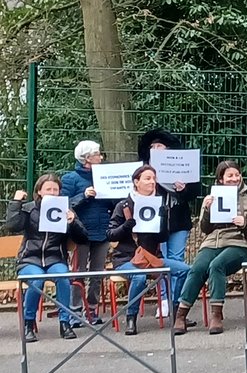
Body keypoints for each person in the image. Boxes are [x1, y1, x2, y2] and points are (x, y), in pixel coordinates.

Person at [173, 161, 247, 335]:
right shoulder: (213, 198)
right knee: (197, 268)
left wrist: (244, 224)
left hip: (238, 245)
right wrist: (206, 210)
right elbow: (205, 229)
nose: (234, 178)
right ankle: (181, 315)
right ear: (221, 179)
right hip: (212, 243)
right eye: (230, 176)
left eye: (237, 175)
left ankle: (216, 315)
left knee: (216, 265)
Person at [108, 165, 191, 336]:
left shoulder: (159, 203)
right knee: (138, 276)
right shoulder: (123, 205)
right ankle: (131, 317)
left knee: (185, 270)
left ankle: (177, 313)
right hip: (126, 259)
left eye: (154, 178)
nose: (152, 182)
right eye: (147, 178)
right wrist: (126, 226)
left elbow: (163, 238)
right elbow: (110, 234)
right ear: (136, 182)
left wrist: (162, 221)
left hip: (152, 258)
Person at [7, 174, 89, 342]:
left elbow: (82, 238)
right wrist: (16, 203)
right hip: (30, 259)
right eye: (48, 189)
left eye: (55, 189)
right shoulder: (29, 209)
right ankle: (28, 323)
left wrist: (73, 222)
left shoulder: (65, 209)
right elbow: (12, 226)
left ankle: (65, 323)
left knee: (63, 277)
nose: (52, 192)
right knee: (37, 281)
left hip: (55, 258)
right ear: (39, 191)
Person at [60, 140, 116, 325]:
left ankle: (91, 310)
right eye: (97, 154)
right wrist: (83, 196)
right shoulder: (70, 179)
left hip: (103, 231)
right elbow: (64, 205)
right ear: (86, 158)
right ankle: (75, 312)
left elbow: (114, 204)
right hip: (80, 233)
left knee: (97, 273)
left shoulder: (106, 176)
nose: (101, 157)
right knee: (78, 273)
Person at [137, 129, 202, 267]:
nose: (155, 149)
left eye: (159, 146)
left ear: (168, 148)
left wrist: (183, 189)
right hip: (155, 221)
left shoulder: (183, 166)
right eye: (152, 147)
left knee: (176, 260)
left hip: (178, 219)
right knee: (161, 261)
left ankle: (176, 289)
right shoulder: (144, 171)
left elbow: (194, 192)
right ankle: (165, 290)